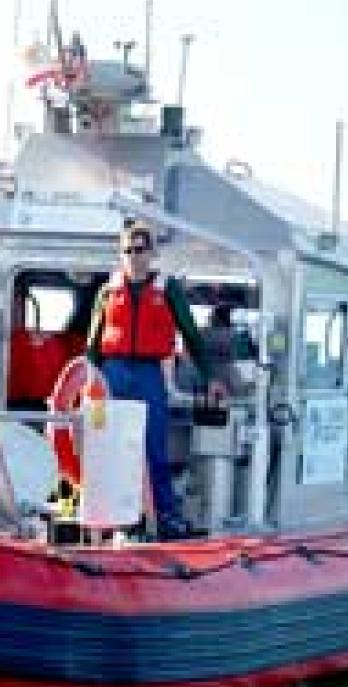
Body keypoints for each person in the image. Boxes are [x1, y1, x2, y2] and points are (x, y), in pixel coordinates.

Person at [86, 222, 223, 539]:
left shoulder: (168, 288)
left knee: (153, 447)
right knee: (109, 447)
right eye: (128, 251)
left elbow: (191, 335)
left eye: (140, 250)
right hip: (113, 372)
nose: (134, 256)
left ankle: (166, 516)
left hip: (149, 373)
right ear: (121, 255)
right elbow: (93, 343)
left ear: (152, 253)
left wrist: (211, 377)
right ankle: (111, 516)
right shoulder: (108, 290)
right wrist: (87, 381)